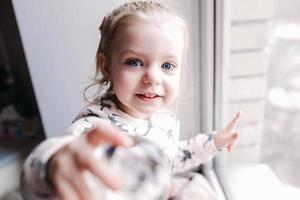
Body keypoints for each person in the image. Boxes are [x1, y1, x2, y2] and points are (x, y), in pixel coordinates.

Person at [21, 1, 241, 200]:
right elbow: (64, 154)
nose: (153, 77)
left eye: (167, 66)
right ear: (107, 67)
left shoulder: (164, 119)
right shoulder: (97, 127)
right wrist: (53, 163)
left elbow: (170, 161)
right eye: (134, 62)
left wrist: (214, 142)